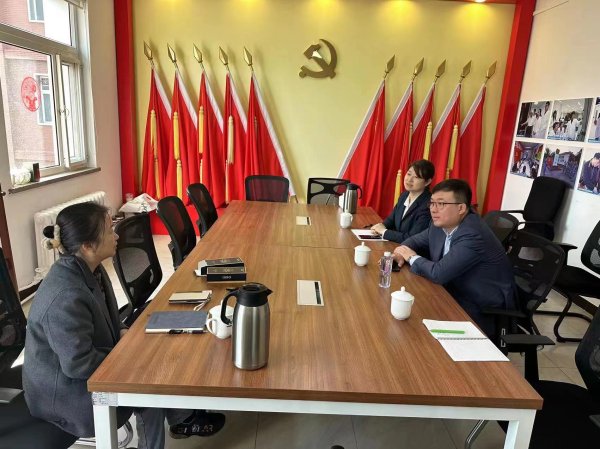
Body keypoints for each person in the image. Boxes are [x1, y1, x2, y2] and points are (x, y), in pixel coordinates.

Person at [22, 202, 225, 449]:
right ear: (87, 246)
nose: (116, 235)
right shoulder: (65, 295)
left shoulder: (88, 268)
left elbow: (108, 317)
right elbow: (78, 365)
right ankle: (177, 421)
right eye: (109, 230)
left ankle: (181, 418)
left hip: (84, 372)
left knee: (160, 347)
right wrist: (130, 354)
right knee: (149, 383)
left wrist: (122, 332)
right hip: (67, 398)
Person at [392, 179, 515, 337]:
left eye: (441, 204)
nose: (433, 209)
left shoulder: (473, 234)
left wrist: (411, 257)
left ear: (461, 208)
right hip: (452, 289)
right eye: (432, 203)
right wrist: (399, 253)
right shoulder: (440, 223)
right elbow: (414, 241)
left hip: (479, 305)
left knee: (415, 330)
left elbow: (438, 273)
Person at [371, 159, 434, 243]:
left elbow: (413, 238)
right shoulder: (404, 195)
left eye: (416, 177)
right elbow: (391, 219)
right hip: (396, 245)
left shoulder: (428, 205)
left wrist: (383, 231)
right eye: (409, 174)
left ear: (427, 182)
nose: (409, 179)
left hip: (412, 249)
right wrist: (381, 226)